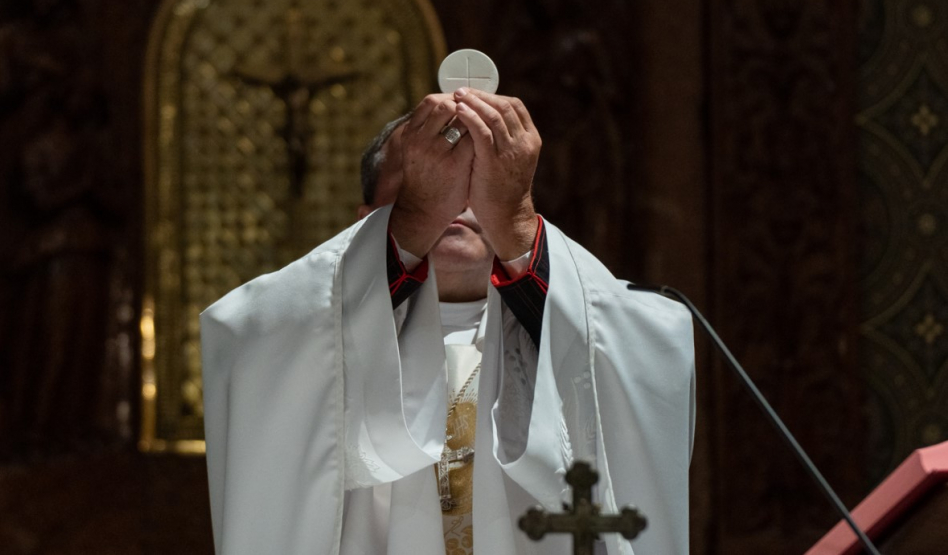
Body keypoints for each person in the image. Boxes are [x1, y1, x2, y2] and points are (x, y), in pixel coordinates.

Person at [200, 88, 695, 555]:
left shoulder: (564, 322)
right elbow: (250, 343)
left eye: (477, 180)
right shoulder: (315, 327)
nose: (457, 200)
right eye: (429, 174)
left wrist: (517, 225)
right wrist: (415, 217)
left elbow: (648, 351)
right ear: (364, 218)